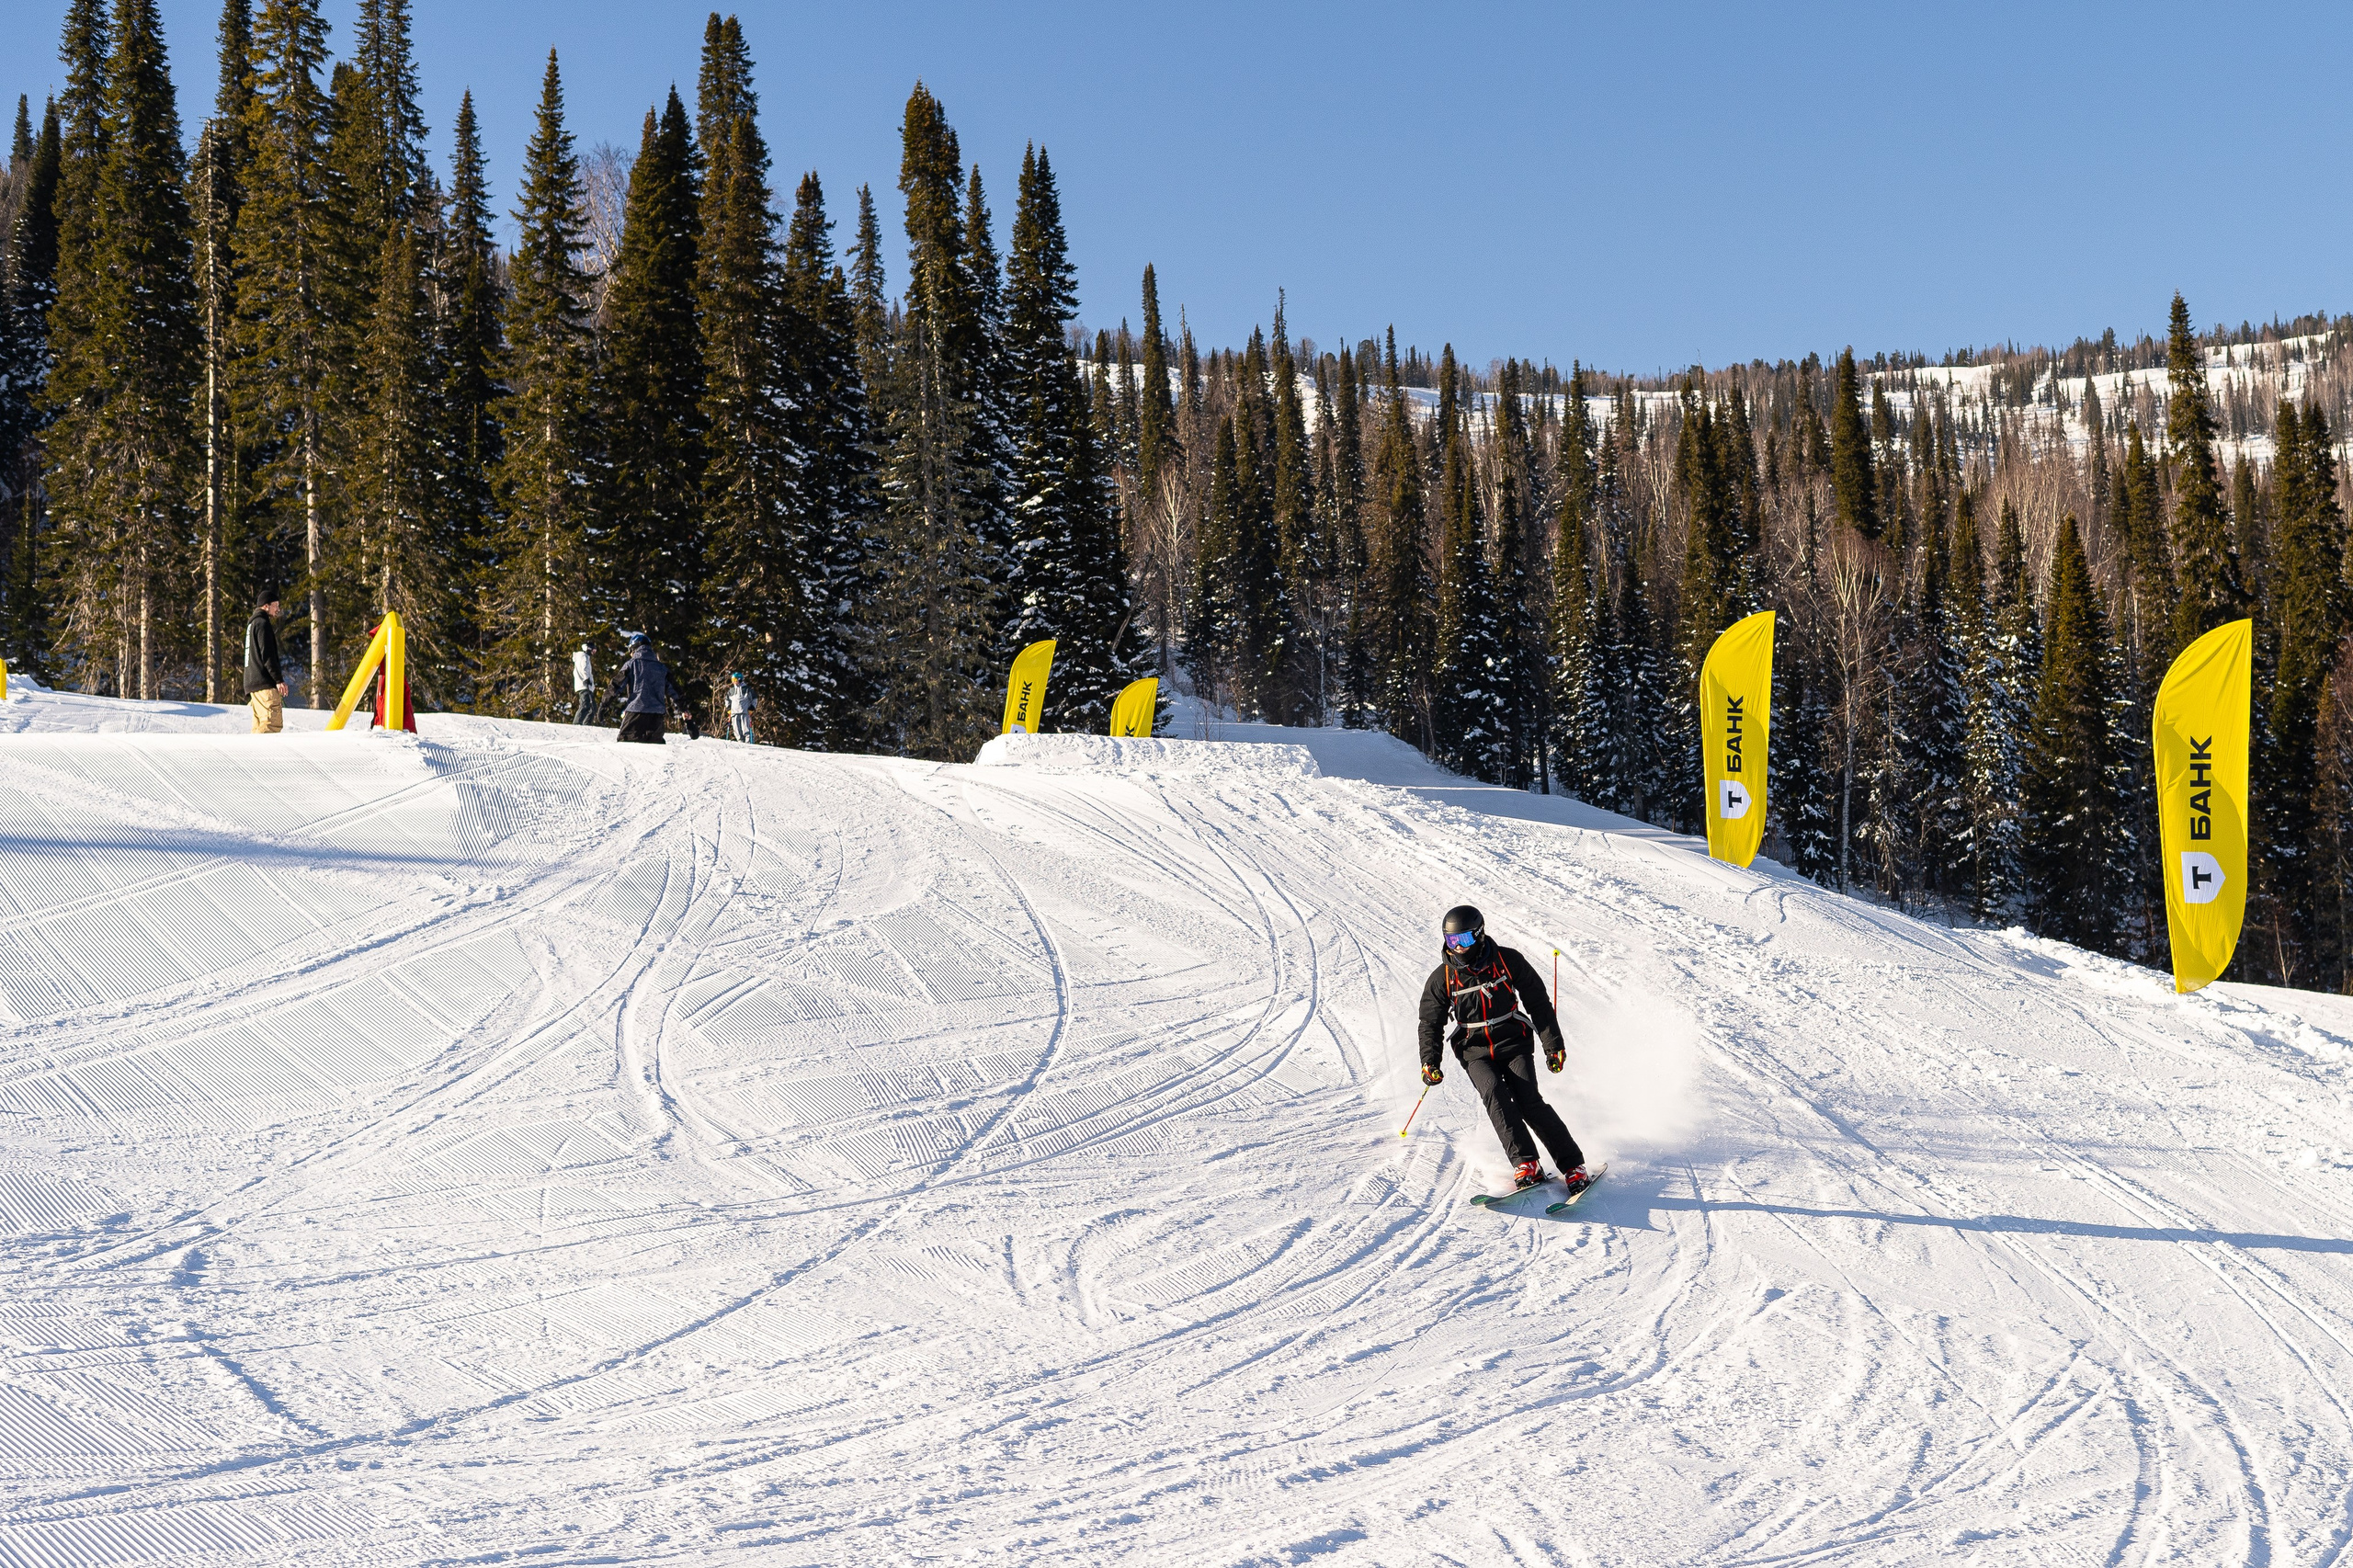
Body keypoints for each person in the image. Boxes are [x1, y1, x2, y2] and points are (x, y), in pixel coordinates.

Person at [1416, 904, 1588, 1193]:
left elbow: (1538, 1003)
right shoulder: (1443, 977)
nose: (1458, 948)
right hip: (1474, 1049)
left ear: (1479, 934)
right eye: (1451, 941)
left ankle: (1572, 1166)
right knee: (1494, 1094)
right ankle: (1526, 1163)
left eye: (1464, 940)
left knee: (1528, 1101)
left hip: (1513, 1040)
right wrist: (1429, 1061)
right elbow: (1429, 1022)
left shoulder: (1507, 961)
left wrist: (1553, 1046)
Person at [613, 634, 671, 744]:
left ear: (633, 649)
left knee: (625, 744)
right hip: (656, 717)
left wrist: (604, 704)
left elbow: (616, 685)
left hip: (635, 712)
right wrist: (685, 713)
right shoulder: (661, 668)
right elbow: (675, 691)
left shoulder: (631, 664)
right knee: (655, 748)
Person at [244, 597, 289, 733]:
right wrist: (278, 680)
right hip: (264, 684)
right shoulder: (263, 623)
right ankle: (258, 755)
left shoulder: (252, 624)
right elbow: (268, 655)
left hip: (253, 684)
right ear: (266, 606)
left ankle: (252, 754)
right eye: (275, 605)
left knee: (259, 726)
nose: (278, 609)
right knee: (271, 725)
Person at [572, 642, 599, 724]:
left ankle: (586, 724)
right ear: (588, 649)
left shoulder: (586, 657)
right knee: (585, 705)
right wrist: (586, 678)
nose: (594, 653)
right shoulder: (582, 656)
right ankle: (576, 724)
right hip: (584, 686)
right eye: (593, 650)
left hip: (587, 686)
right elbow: (583, 668)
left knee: (593, 707)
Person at [726, 672, 756, 743]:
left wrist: (752, 708)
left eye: (735, 680)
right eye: (732, 680)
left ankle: (749, 743)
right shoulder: (731, 690)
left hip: (744, 712)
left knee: (746, 729)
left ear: (740, 679)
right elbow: (727, 700)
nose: (733, 682)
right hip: (734, 713)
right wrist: (728, 709)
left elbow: (754, 699)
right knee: (736, 730)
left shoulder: (747, 689)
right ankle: (740, 743)